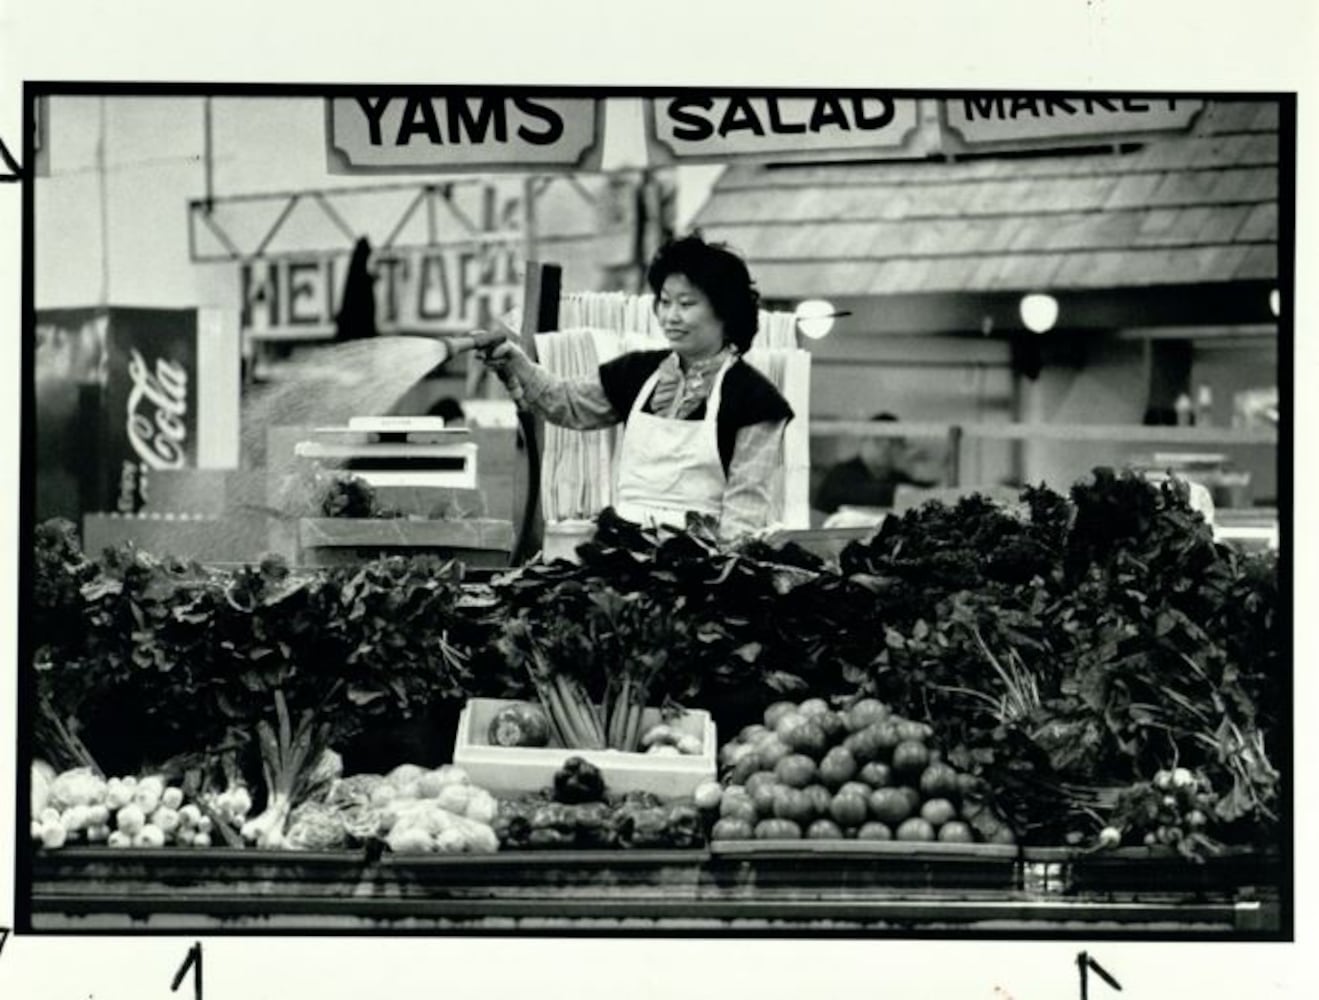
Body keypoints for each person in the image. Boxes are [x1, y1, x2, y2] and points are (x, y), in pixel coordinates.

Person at [481, 233, 794, 539]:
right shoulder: (636, 373)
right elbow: (566, 404)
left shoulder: (756, 400)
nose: (670, 316)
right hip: (625, 553)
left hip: (704, 567)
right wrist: (514, 361)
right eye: (665, 301)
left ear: (725, 311)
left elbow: (744, 513)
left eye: (686, 304)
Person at [815, 412, 935, 514]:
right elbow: (878, 494)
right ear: (866, 440)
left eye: (894, 442)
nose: (885, 447)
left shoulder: (893, 476)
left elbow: (927, 491)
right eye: (879, 440)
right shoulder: (841, 474)